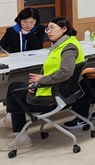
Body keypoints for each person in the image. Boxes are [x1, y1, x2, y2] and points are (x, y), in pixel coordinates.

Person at [1, 17, 85, 151]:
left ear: (64, 29)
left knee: (14, 93)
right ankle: (12, 118)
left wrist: (40, 80)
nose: (49, 32)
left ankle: (21, 136)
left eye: (52, 28)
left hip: (53, 94)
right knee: (15, 86)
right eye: (48, 28)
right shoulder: (66, 43)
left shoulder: (68, 48)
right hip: (63, 91)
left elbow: (65, 72)